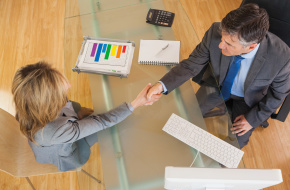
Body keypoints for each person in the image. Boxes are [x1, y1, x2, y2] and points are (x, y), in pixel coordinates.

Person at [147, 3, 290, 148]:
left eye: (228, 44)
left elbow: (277, 95)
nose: (221, 45)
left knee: (232, 148)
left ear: (251, 46)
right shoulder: (215, 30)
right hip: (217, 84)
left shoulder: (282, 58)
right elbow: (191, 64)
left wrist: (252, 119)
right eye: (222, 38)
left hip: (249, 100)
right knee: (186, 119)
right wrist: (161, 85)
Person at [12, 61, 160, 172]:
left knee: (113, 120)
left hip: (61, 129)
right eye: (62, 87)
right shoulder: (55, 131)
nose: (69, 85)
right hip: (67, 154)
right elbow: (103, 121)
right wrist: (135, 103)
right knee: (120, 130)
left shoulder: (28, 101)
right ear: (48, 102)